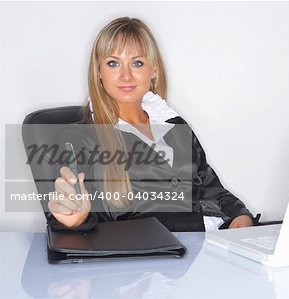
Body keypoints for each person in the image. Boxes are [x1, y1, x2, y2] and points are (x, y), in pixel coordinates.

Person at [46, 17, 254, 231]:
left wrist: (239, 214)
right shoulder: (82, 137)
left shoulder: (173, 124)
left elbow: (210, 187)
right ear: (99, 72)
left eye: (137, 63)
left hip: (214, 240)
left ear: (153, 70)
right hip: (161, 253)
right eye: (113, 63)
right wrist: (76, 219)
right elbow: (80, 206)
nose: (126, 75)